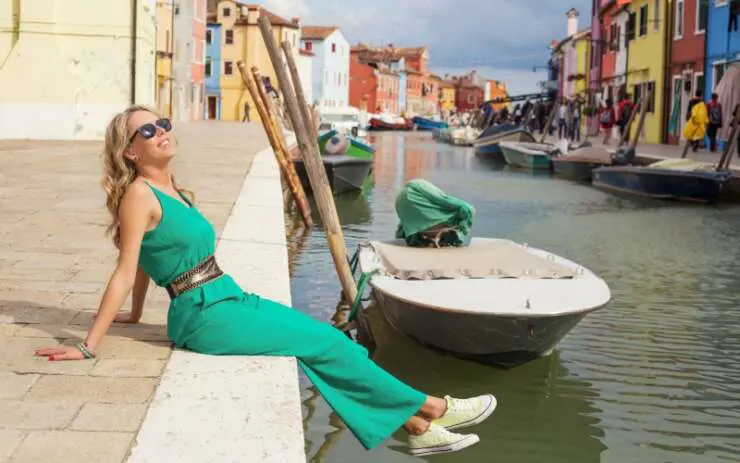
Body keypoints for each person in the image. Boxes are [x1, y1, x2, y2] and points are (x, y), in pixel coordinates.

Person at [33, 106, 497, 457]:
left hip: (226, 296)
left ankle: (415, 428)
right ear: (130, 151)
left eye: (163, 123)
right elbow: (125, 266)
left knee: (333, 342)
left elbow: (144, 262)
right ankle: (431, 407)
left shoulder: (171, 189)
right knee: (324, 342)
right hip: (203, 315)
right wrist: (89, 345)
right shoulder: (138, 194)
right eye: (147, 131)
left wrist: (137, 313)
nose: (162, 132)